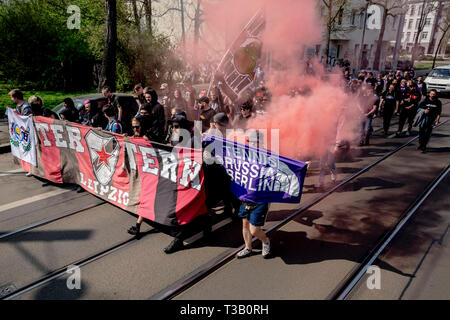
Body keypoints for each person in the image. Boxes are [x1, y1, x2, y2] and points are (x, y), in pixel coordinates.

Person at [235, 130, 271, 259]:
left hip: (260, 199)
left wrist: (301, 166)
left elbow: (283, 168)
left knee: (254, 230)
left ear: (260, 143)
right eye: (250, 142)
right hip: (246, 197)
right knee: (245, 225)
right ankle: (248, 247)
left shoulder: (268, 156)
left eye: (255, 142)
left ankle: (265, 242)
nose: (252, 145)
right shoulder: (245, 155)